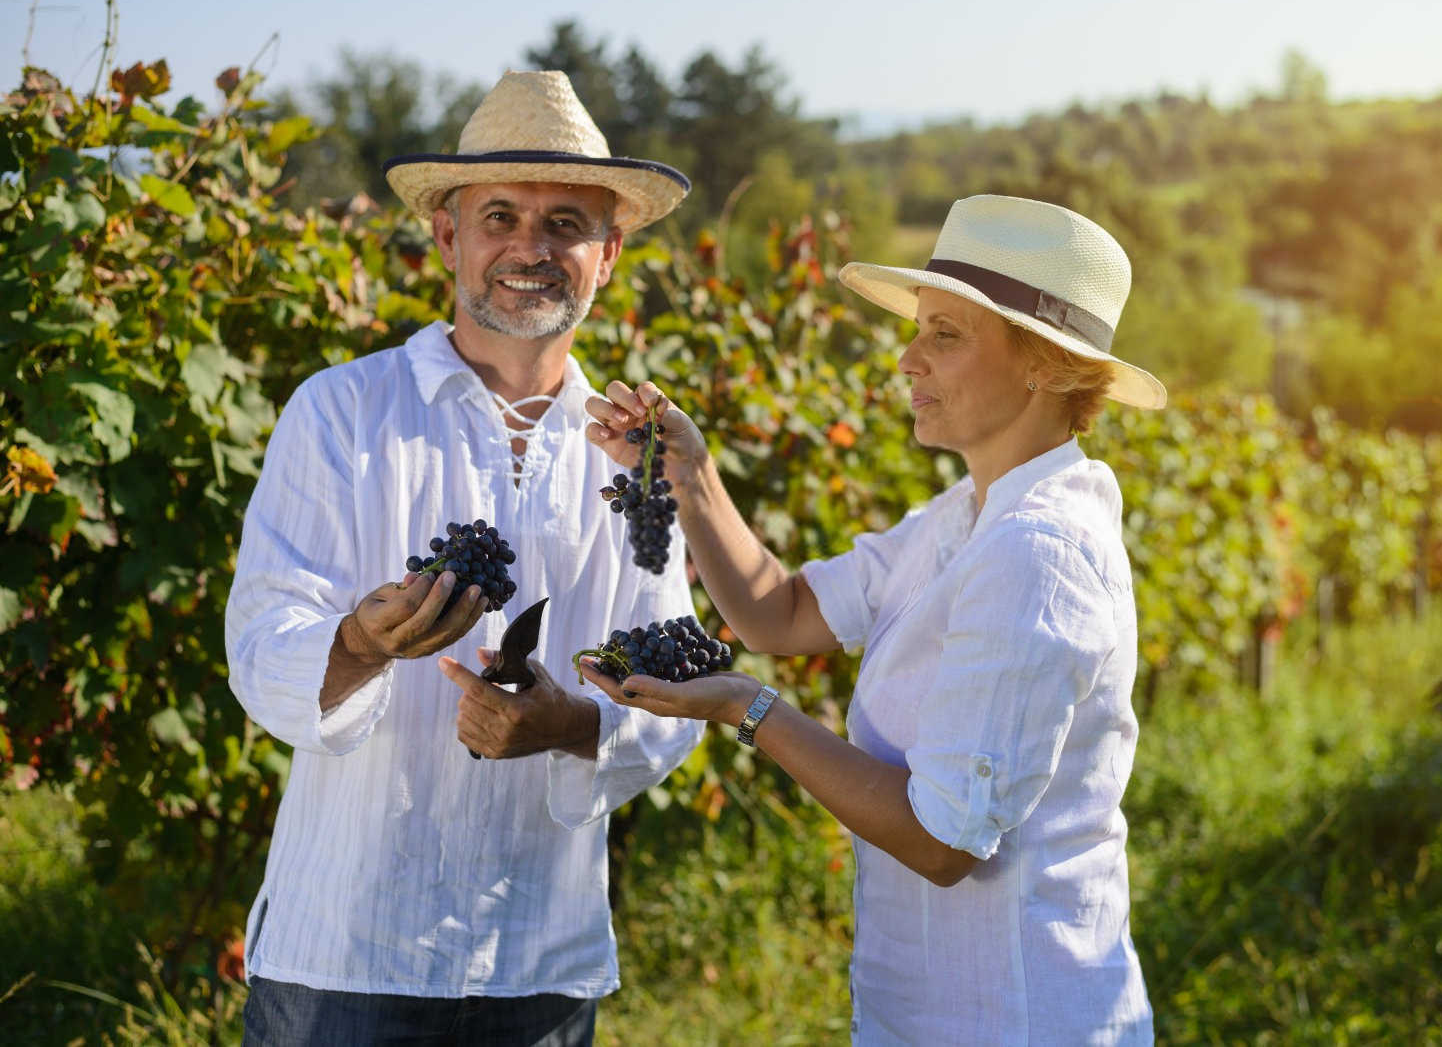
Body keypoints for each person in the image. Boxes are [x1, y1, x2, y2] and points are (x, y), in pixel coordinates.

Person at [580, 194, 1167, 1045]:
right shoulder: (967, 517)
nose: (907, 360)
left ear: (1042, 365)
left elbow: (942, 842)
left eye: (945, 336)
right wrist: (691, 475)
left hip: (1016, 1014)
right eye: (919, 329)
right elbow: (778, 612)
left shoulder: (1036, 551)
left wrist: (746, 708)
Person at [224, 71, 702, 1046]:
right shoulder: (342, 412)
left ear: (608, 253)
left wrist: (573, 723)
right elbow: (264, 637)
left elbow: (675, 676)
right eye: (499, 216)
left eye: (565, 222)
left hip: (538, 956)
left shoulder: (633, 452)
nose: (530, 248)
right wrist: (357, 643)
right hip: (346, 954)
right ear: (448, 236)